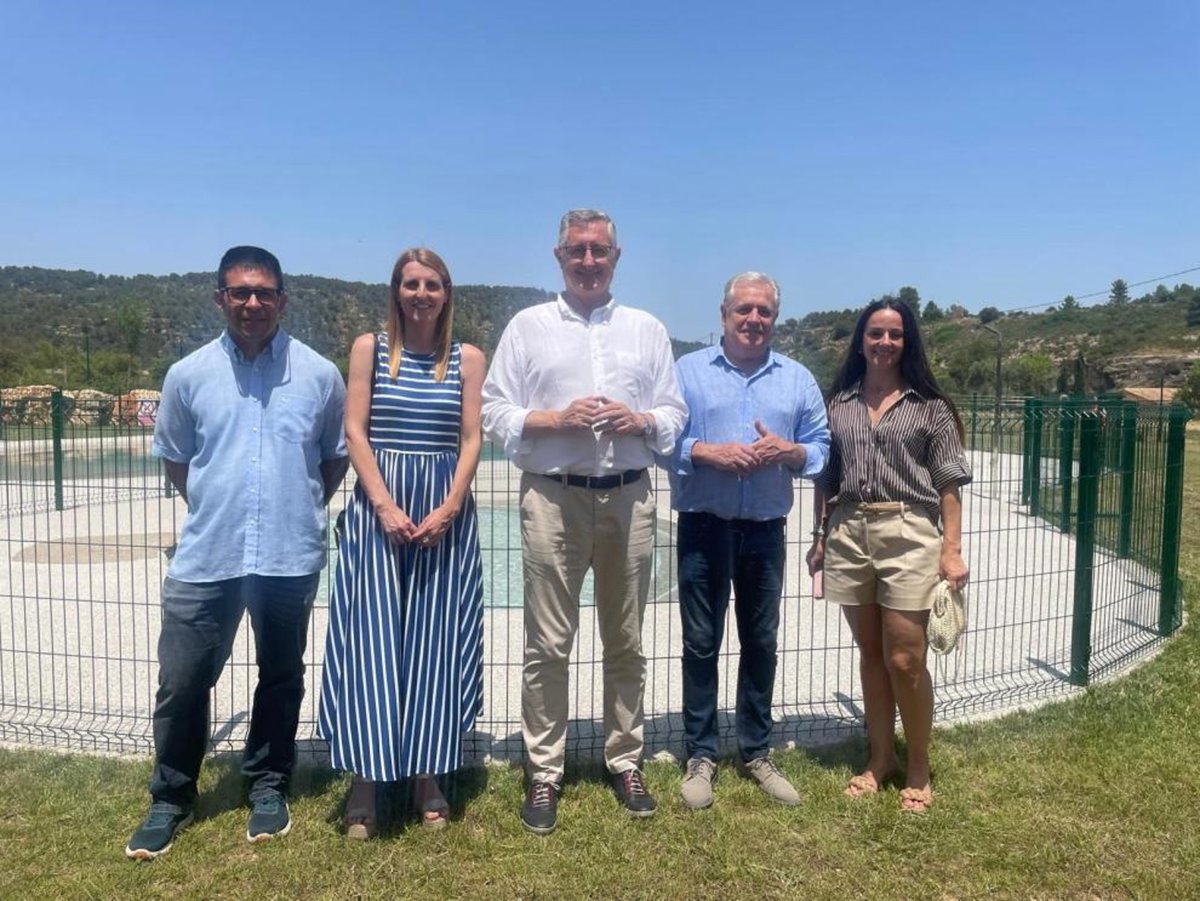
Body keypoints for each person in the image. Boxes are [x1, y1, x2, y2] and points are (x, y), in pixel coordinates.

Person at [126, 246, 348, 860]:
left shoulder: (319, 375)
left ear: (283, 300)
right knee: (182, 680)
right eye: (240, 292)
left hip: (288, 554)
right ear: (220, 298)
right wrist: (217, 507)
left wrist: (294, 506)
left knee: (280, 677)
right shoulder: (187, 375)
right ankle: (171, 796)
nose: (253, 303)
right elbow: (178, 460)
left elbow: (332, 460)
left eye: (264, 292)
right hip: (209, 554)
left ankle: (268, 784)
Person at [482, 209, 688, 834]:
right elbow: (494, 410)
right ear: (559, 256)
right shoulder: (528, 327)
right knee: (547, 644)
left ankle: (625, 759)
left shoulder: (647, 330)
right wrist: (555, 419)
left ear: (616, 257)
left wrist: (641, 421)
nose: (589, 261)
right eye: (578, 250)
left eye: (600, 250)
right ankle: (544, 771)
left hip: (629, 497)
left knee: (625, 641)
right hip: (554, 497)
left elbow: (674, 412)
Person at [318, 248, 485, 837]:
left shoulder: (467, 359)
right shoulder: (369, 349)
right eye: (411, 284)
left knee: (434, 645)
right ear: (396, 291)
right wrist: (385, 506)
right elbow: (354, 431)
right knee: (372, 642)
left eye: (432, 284)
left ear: (446, 293)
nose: (421, 294)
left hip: (443, 512)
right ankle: (365, 778)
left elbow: (471, 439)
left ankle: (426, 775)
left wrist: (451, 506)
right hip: (378, 510)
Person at [663, 272, 830, 810]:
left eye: (764, 311)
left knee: (761, 642)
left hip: (764, 529)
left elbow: (821, 448)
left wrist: (790, 452)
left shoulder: (798, 380)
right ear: (724, 314)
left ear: (775, 318)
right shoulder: (687, 372)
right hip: (702, 526)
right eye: (744, 310)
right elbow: (661, 439)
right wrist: (705, 452)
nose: (754, 319)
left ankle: (756, 751)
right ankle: (701, 754)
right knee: (700, 643)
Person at [807, 298, 971, 813]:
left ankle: (918, 765)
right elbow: (826, 478)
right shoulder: (838, 404)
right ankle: (881, 759)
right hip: (849, 528)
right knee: (872, 655)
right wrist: (819, 536)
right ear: (861, 341)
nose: (884, 342)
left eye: (895, 334)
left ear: (908, 342)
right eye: (875, 333)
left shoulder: (930, 406)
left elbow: (949, 483)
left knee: (905, 658)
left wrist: (951, 550)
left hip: (909, 530)